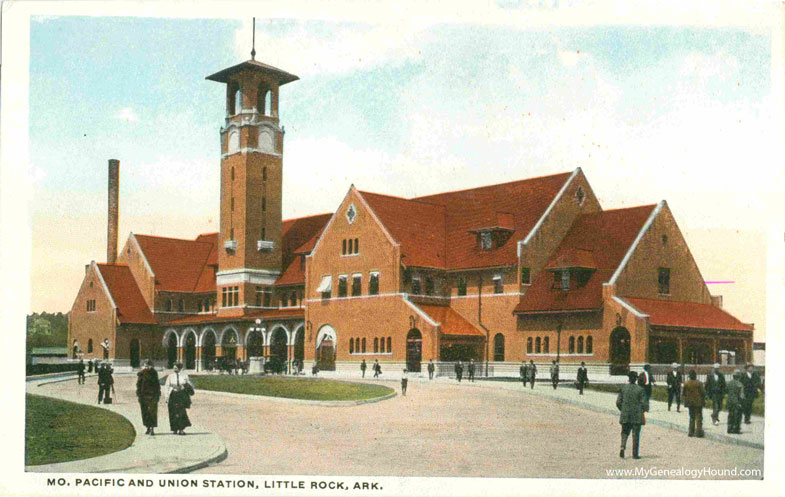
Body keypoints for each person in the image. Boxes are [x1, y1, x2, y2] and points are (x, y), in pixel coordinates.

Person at [616, 371, 648, 459]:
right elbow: (644, 404)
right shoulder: (640, 389)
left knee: (625, 432)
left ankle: (622, 447)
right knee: (636, 434)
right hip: (636, 415)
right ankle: (635, 454)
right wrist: (643, 410)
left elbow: (618, 402)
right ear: (636, 379)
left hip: (625, 414)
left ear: (629, 378)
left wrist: (623, 410)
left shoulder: (623, 388)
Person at [165, 362, 193, 435]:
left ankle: (181, 429)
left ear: (180, 368)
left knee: (181, 412)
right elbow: (167, 386)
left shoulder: (184, 376)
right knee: (173, 411)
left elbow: (189, 385)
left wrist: (184, 386)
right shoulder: (170, 376)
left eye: (176, 368)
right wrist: (167, 397)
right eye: (174, 368)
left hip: (181, 395)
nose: (175, 369)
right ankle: (174, 428)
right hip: (173, 395)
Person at [136, 359, 161, 436]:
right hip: (143, 396)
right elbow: (138, 385)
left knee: (152, 412)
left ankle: (152, 428)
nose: (147, 367)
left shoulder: (154, 373)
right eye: (145, 365)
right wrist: (139, 395)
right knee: (145, 412)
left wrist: (157, 395)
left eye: (148, 365)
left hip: (153, 395)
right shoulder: (141, 374)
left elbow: (157, 385)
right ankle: (147, 426)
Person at [683, 369, 706, 437]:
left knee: (691, 417)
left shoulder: (686, 383)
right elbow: (703, 393)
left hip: (690, 403)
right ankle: (698, 432)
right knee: (699, 417)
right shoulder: (699, 383)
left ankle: (691, 431)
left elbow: (683, 393)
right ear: (695, 376)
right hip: (698, 402)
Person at [725, 369, 744, 434]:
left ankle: (729, 428)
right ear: (739, 376)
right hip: (737, 402)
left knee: (730, 415)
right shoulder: (740, 384)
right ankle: (736, 429)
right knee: (738, 415)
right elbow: (741, 395)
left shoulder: (729, 383)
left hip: (730, 401)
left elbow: (726, 391)